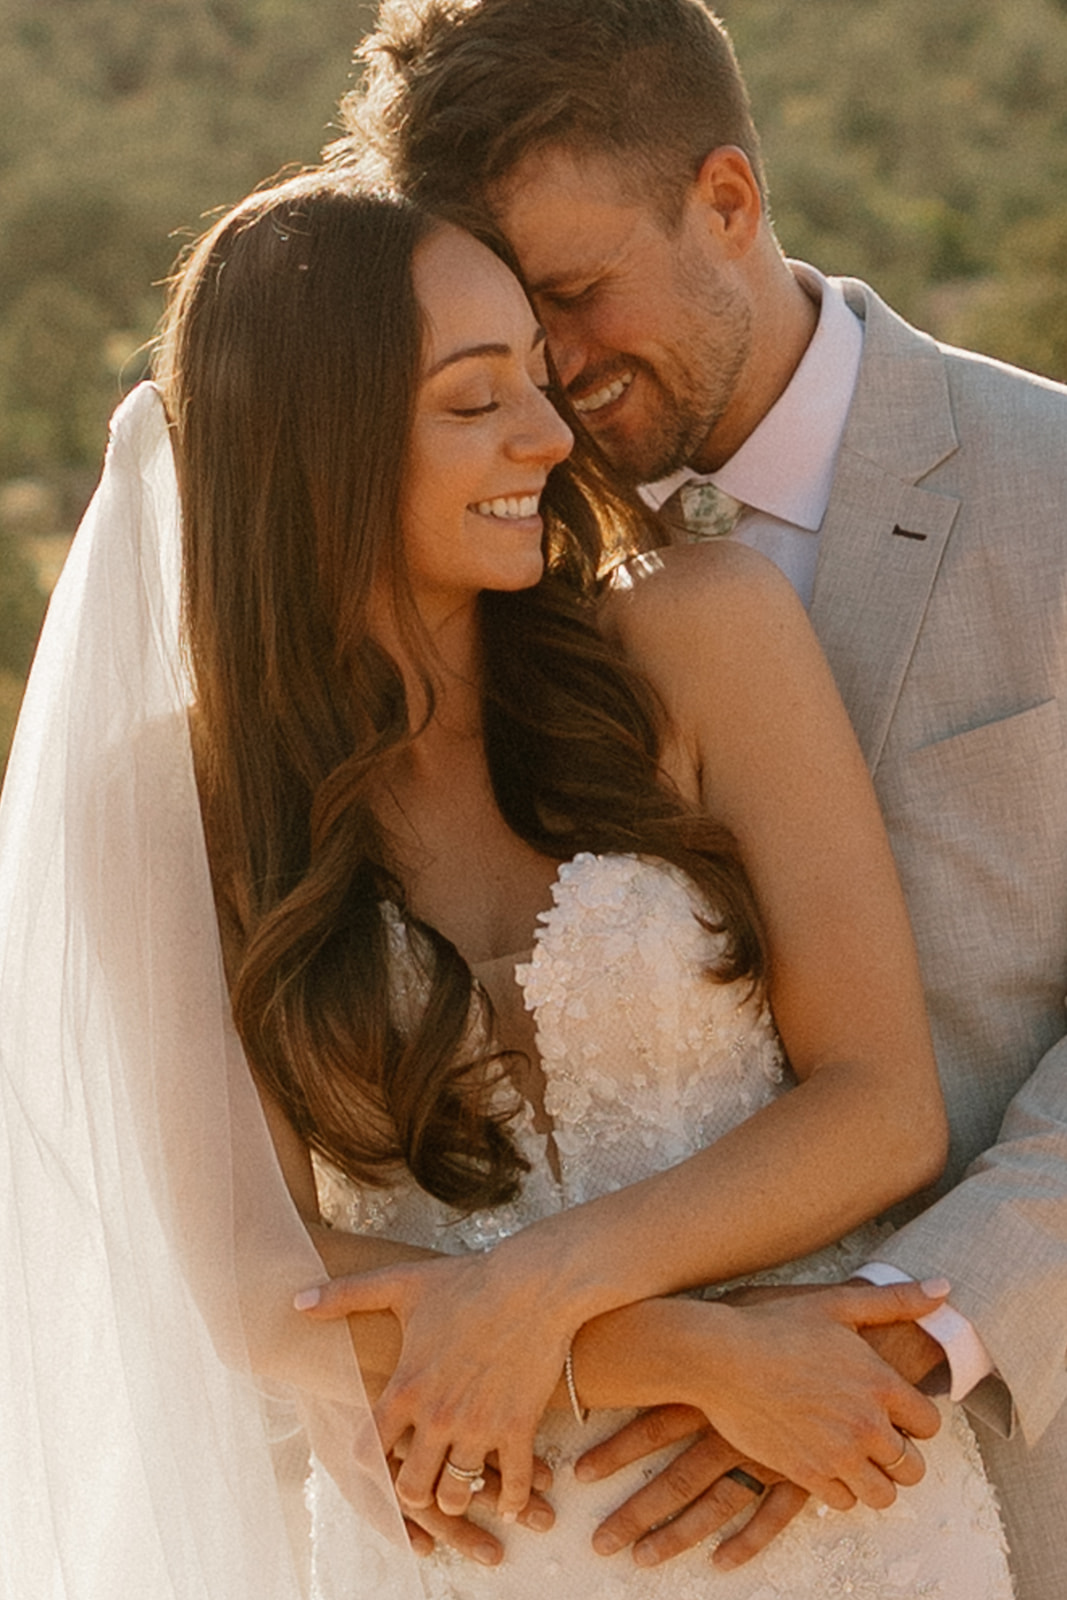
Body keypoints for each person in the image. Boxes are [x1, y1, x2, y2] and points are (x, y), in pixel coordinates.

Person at [0, 166, 1013, 1597]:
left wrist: (538, 1290)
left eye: (539, 378)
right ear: (312, 451)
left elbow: (881, 1107)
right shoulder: (165, 811)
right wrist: (673, 1347)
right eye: (477, 401)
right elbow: (248, 1280)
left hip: (809, 1503)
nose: (549, 433)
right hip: (476, 1539)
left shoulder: (706, 635)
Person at [314, 2, 1067, 1596]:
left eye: (577, 296)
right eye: (507, 330)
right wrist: (640, 1352)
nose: (555, 378)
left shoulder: (1051, 496)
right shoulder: (474, 562)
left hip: (996, 1457)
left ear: (728, 198)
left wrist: (910, 1338)